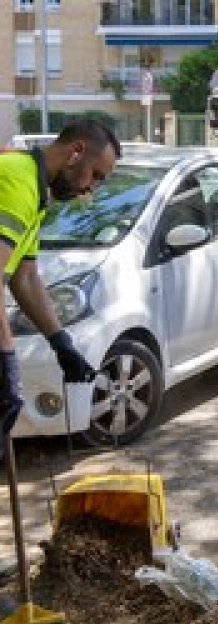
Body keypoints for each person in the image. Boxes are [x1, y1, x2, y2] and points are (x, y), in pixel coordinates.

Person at [0, 119, 121, 438]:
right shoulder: (17, 180)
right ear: (76, 152)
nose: (89, 189)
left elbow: (25, 277)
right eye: (95, 176)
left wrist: (61, 342)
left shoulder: (35, 189)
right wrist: (5, 353)